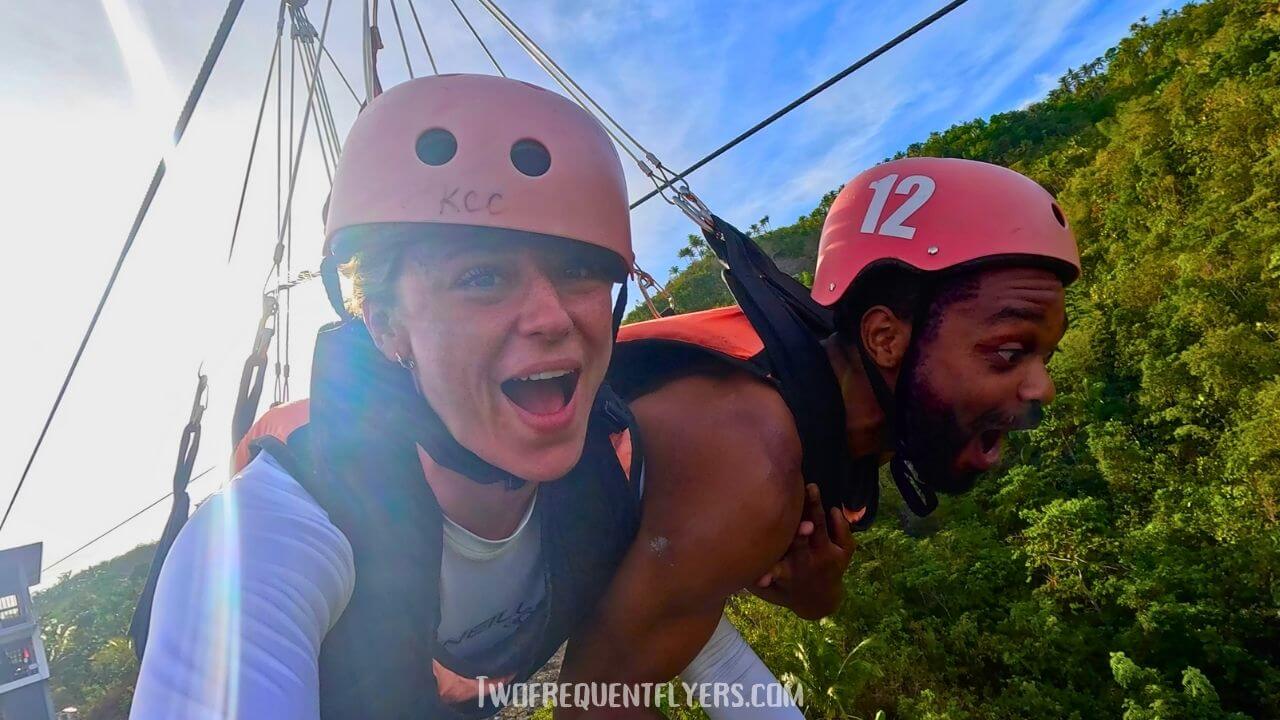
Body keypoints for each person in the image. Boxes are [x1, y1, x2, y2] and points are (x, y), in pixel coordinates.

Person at [129, 74, 815, 720]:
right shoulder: (266, 539)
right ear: (388, 325)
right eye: (482, 277)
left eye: (579, 270)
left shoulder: (611, 475)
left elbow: (702, 646)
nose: (551, 318)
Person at [555, 156, 1081, 715]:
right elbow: (593, 699)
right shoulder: (752, 457)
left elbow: (710, 564)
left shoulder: (844, 400)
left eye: (1046, 354)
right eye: (1008, 352)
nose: (1042, 389)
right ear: (884, 338)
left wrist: (817, 593)